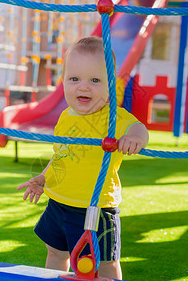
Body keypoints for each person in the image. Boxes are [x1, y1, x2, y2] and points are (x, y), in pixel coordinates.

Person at [17, 36, 149, 279]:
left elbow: (138, 128)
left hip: (96, 208)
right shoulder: (65, 117)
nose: (84, 87)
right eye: (74, 79)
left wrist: (135, 138)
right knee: (56, 252)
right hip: (58, 203)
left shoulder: (113, 118)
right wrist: (43, 179)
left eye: (95, 80)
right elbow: (61, 155)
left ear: (111, 84)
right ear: (64, 82)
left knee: (106, 262)